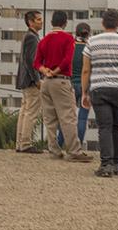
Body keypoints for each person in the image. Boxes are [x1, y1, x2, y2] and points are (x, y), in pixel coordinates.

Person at [81, 10, 118, 177]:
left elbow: (86, 70)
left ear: (102, 24)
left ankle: (106, 164)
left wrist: (84, 93)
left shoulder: (91, 42)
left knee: (104, 127)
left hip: (99, 88)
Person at [33, 11, 92, 163]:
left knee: (50, 118)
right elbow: (67, 60)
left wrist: (45, 71)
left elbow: (36, 62)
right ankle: (74, 151)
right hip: (61, 80)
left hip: (46, 82)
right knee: (68, 117)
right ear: (65, 23)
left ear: (52, 22)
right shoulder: (67, 39)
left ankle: (54, 149)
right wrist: (55, 71)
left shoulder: (44, 40)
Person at [57, 22, 91, 148]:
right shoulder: (89, 48)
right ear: (89, 33)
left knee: (65, 117)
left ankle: (60, 143)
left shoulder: (71, 47)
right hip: (86, 87)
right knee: (82, 118)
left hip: (69, 85)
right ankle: (78, 146)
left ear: (76, 32)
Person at [15, 11, 43, 153]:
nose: (41, 22)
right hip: (31, 81)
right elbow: (31, 61)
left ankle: (20, 142)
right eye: (38, 20)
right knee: (31, 112)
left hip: (25, 79)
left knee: (24, 111)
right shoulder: (32, 38)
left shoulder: (29, 36)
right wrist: (37, 79)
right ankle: (25, 143)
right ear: (30, 22)